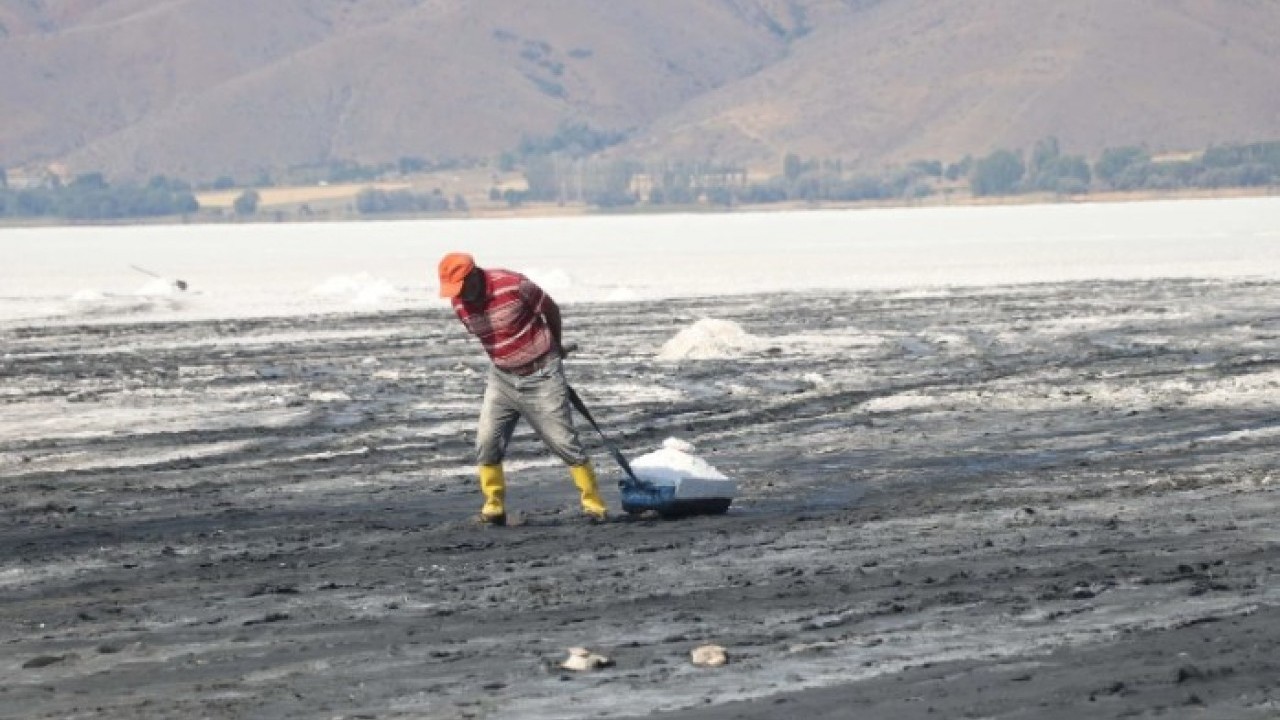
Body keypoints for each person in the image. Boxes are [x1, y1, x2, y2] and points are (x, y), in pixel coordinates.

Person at [437, 252, 608, 525]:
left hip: (542, 375)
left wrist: (556, 348)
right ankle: (493, 508)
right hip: (501, 379)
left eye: (460, 287)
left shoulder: (514, 285)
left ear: (473, 276)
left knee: (564, 442)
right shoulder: (459, 304)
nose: (458, 296)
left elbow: (551, 310)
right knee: (486, 442)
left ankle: (594, 506)